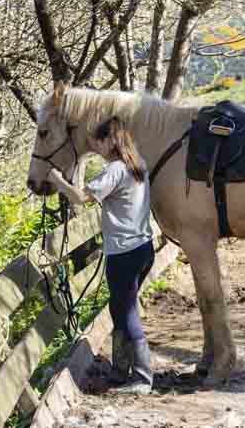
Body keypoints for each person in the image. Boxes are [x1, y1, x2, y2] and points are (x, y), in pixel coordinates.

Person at [48, 116, 155, 395]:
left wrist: (56, 180)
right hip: (143, 248)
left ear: (111, 140)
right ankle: (120, 370)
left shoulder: (116, 170)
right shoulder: (138, 164)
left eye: (99, 141)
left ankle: (143, 378)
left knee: (126, 310)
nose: (97, 147)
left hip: (124, 253)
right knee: (119, 307)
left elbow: (81, 198)